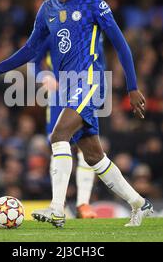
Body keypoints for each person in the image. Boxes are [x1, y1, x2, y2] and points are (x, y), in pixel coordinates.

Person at [0, 0, 153, 228]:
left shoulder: (93, 4)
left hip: (90, 82)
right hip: (67, 88)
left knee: (58, 135)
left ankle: (57, 209)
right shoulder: (47, 9)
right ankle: (141, 204)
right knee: (93, 156)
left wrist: (133, 87)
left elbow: (121, 44)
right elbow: (31, 50)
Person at [34, 38, 99, 219]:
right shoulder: (50, 30)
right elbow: (34, 60)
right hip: (57, 98)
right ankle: (58, 203)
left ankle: (83, 204)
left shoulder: (90, 31)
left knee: (87, 147)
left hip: (84, 93)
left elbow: (99, 61)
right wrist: (44, 76)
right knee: (59, 147)